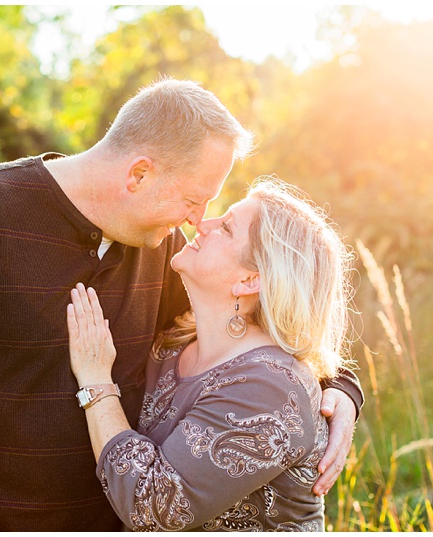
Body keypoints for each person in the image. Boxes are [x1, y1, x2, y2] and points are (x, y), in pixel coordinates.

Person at [0, 79, 363, 532]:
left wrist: (339, 386)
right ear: (138, 174)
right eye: (193, 200)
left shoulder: (161, 246)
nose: (195, 222)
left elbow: (248, 331)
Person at [66, 177, 353, 531]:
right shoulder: (173, 342)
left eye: (227, 227)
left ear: (249, 281)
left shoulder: (269, 388)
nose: (202, 223)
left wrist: (95, 380)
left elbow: (155, 507)